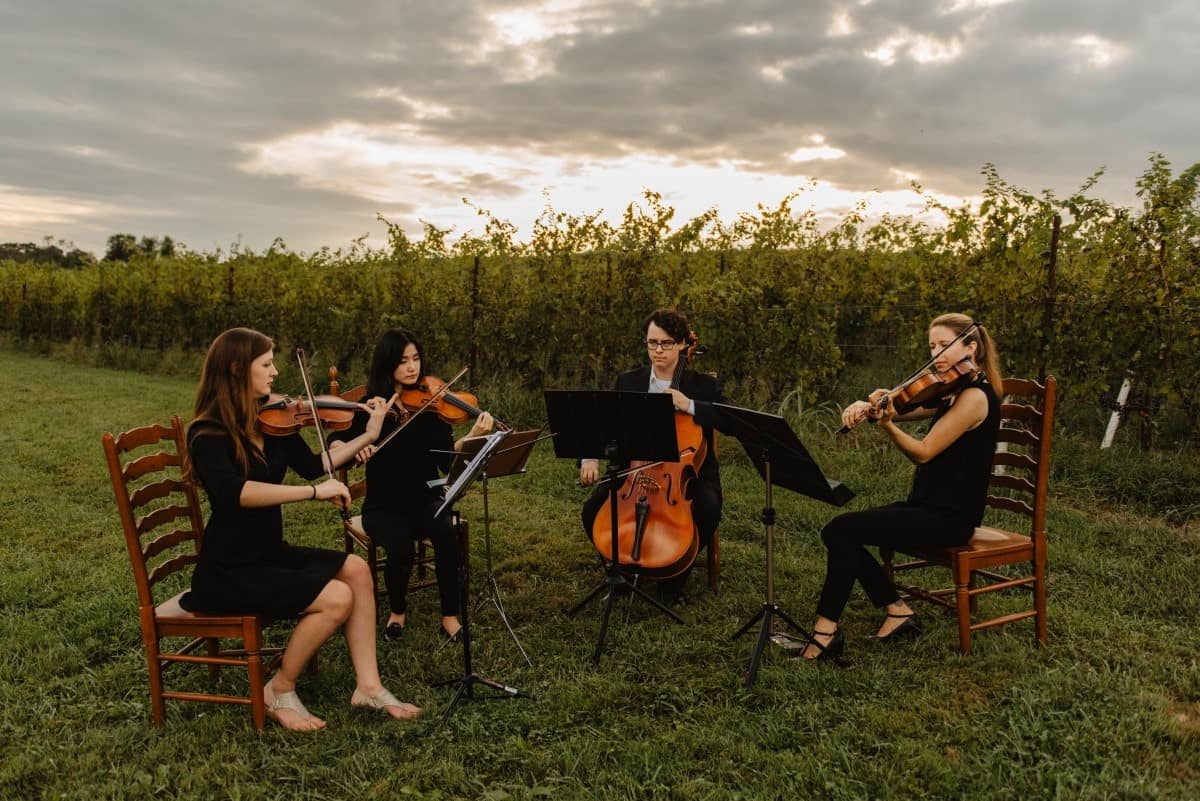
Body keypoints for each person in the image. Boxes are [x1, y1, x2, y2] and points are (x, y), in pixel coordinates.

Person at [181, 327, 421, 730]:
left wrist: (369, 432)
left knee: (357, 571)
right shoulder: (207, 433)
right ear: (239, 369)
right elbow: (233, 493)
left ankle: (368, 687)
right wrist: (310, 493)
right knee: (335, 598)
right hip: (228, 570)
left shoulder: (273, 422)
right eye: (267, 364)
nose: (275, 373)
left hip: (268, 552)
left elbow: (317, 465)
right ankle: (279, 688)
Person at [798, 313, 1002, 661]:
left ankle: (825, 635)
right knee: (840, 532)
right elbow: (902, 406)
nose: (936, 353)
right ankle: (896, 610)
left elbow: (923, 453)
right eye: (932, 346)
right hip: (925, 506)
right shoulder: (951, 391)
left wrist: (889, 426)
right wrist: (873, 405)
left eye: (944, 345)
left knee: (841, 530)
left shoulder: (974, 398)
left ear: (972, 347)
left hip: (948, 519)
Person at [331, 327, 494, 643]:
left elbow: (447, 462)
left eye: (416, 358)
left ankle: (449, 617)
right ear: (388, 363)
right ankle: (397, 612)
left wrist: (472, 436)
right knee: (400, 548)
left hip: (423, 497)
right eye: (403, 360)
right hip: (383, 505)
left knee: (446, 533)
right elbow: (337, 442)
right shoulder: (371, 406)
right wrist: (351, 448)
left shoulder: (433, 407)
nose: (412, 367)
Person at [579, 308, 727, 604]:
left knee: (709, 508)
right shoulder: (629, 381)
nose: (658, 351)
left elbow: (730, 418)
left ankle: (671, 584)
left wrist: (690, 405)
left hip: (686, 476)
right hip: (634, 472)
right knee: (593, 508)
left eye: (666, 343)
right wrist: (589, 458)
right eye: (652, 343)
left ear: (684, 344)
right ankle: (617, 571)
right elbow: (603, 425)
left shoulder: (703, 386)